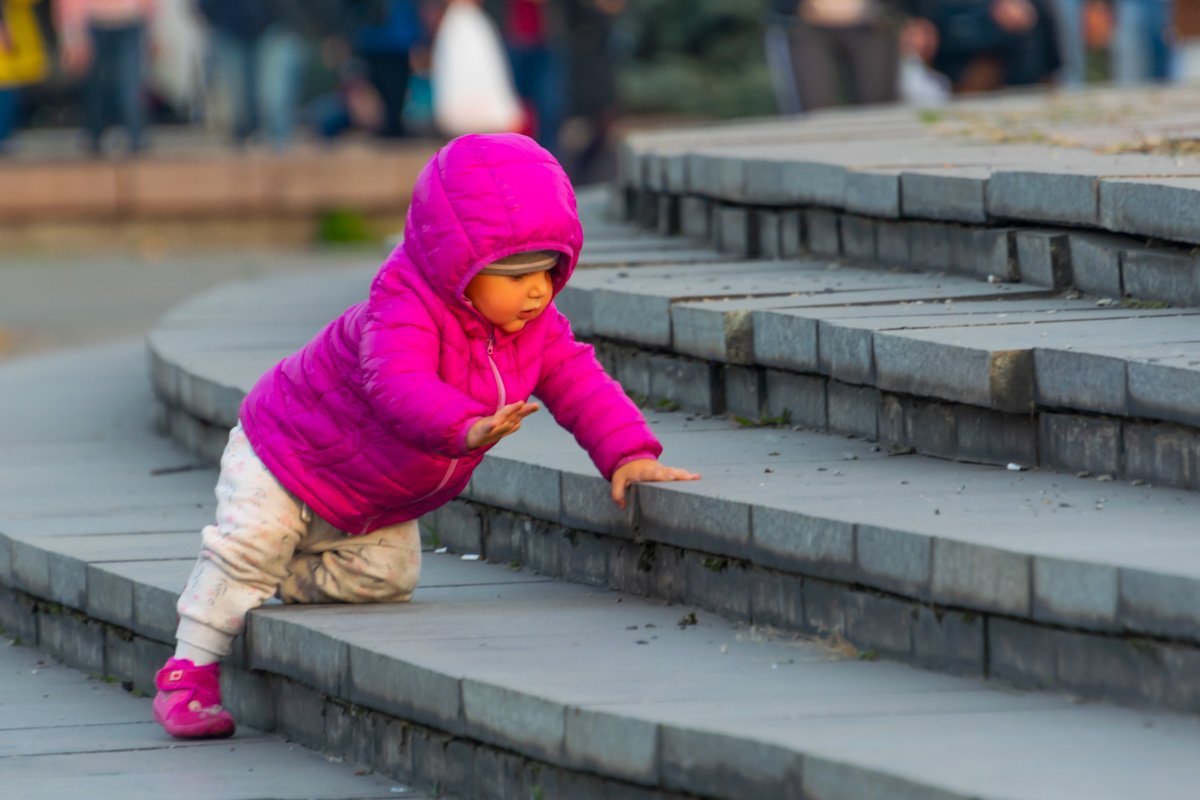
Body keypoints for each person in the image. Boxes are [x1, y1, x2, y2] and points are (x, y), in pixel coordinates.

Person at [151, 132, 701, 739]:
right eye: (516, 276)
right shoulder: (403, 305)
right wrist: (463, 427)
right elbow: (396, 382)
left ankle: (268, 575)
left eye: (548, 270)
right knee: (249, 545)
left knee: (386, 581)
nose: (538, 290)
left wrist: (628, 452)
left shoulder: (535, 326)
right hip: (286, 452)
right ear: (457, 265)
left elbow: (578, 379)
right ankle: (190, 672)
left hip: (373, 495)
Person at [54, 0, 156, 155]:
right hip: (91, 22)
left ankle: (136, 136)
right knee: (94, 88)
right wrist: (72, 37)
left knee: (130, 86)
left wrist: (154, 32)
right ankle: (94, 135)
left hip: (130, 20)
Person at [0, 0, 49, 151]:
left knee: (11, 87)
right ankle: (3, 136)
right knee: (7, 88)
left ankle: (5, 136)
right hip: (8, 34)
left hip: (15, 30)